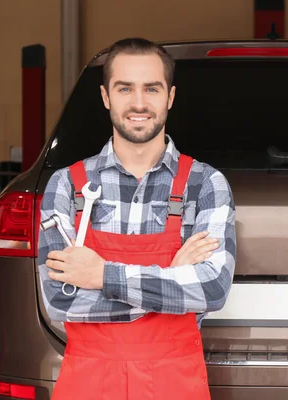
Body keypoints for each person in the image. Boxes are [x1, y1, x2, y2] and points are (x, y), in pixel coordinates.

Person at [37, 37, 236, 400]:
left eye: (152, 89)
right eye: (125, 88)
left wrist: (101, 276)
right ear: (105, 96)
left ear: (170, 97)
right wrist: (173, 281)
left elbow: (212, 289)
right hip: (88, 384)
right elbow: (59, 301)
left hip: (174, 384)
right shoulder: (66, 186)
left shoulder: (205, 184)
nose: (139, 103)